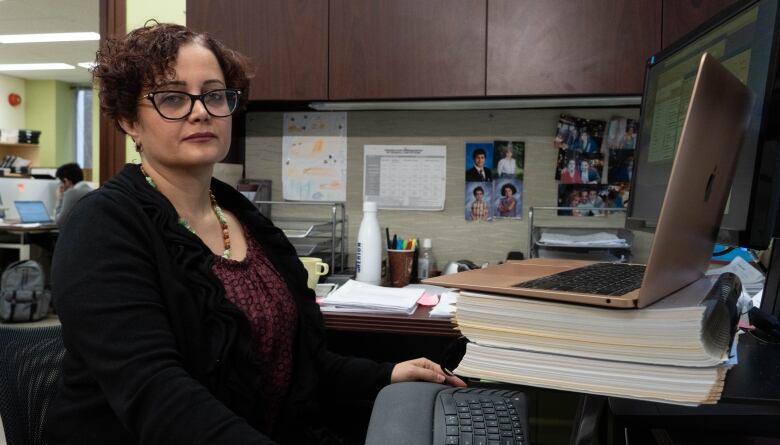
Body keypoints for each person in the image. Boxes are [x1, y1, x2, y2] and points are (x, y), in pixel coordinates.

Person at [44, 22, 464, 445]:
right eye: (172, 97)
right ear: (128, 120)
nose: (200, 110)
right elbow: (158, 396)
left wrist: (387, 375)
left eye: (213, 94)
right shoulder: (101, 227)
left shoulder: (243, 216)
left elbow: (299, 364)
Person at [53, 162, 92, 227]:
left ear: (66, 181)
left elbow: (59, 222)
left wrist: (59, 199)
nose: (60, 185)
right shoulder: (91, 190)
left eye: (61, 182)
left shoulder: (72, 193)